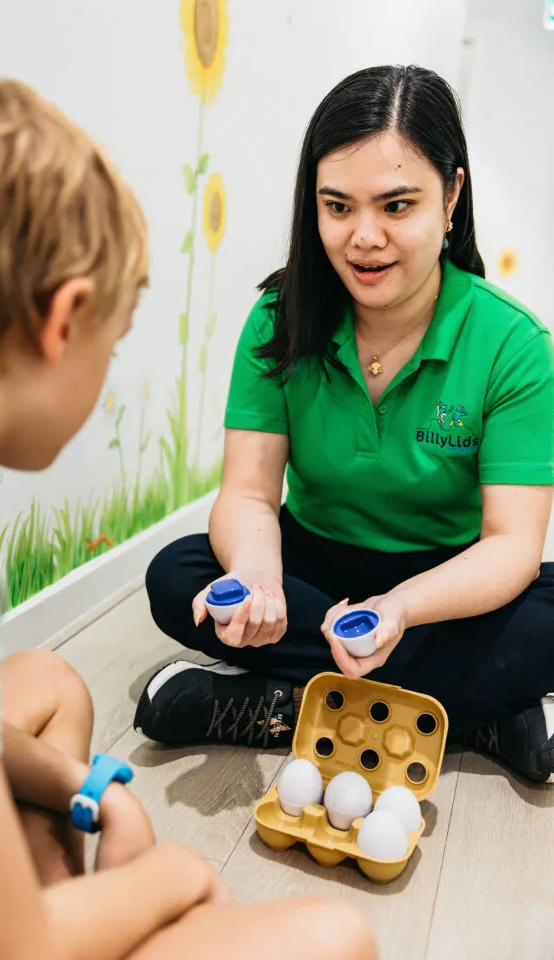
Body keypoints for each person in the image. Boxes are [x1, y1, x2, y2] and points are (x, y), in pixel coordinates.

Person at [0, 80, 376, 960]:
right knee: (334, 936)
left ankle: (56, 891)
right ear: (65, 321)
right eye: (114, 345)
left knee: (50, 678)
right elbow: (5, 947)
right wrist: (179, 877)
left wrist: (102, 789)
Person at [137, 64, 554, 785]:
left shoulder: (513, 344)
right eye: (338, 207)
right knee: (178, 576)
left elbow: (512, 547)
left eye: (397, 206)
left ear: (451, 195)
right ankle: (473, 714)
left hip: (439, 586)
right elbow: (248, 495)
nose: (364, 238)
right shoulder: (279, 319)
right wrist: (260, 581)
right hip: (314, 566)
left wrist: (398, 610)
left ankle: (280, 705)